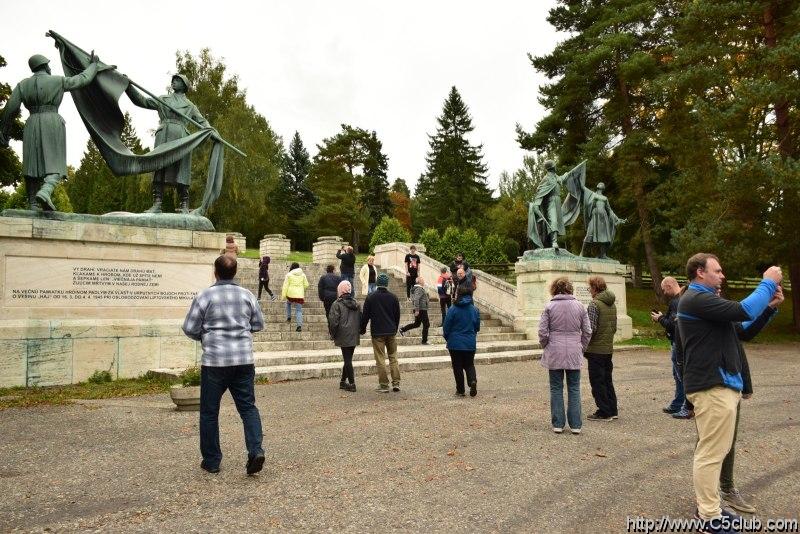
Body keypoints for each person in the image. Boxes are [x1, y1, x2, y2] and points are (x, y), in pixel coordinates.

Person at [677, 253, 781, 529]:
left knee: (716, 451)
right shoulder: (696, 299)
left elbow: (742, 329)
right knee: (711, 453)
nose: (722, 276)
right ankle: (708, 515)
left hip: (721, 385)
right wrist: (768, 283)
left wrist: (769, 308)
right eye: (718, 271)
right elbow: (744, 310)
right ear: (700, 272)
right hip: (712, 386)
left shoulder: (708, 302)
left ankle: (710, 508)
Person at [181, 255, 265, 475]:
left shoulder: (205, 295)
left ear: (215, 272)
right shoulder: (247, 295)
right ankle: (255, 450)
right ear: (235, 272)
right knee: (248, 407)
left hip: (215, 361)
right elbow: (258, 324)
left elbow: (189, 327)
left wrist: (206, 336)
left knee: (209, 411)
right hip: (243, 360)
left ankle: (212, 460)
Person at [0, 53, 99, 211]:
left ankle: (32, 203)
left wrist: (3, 131)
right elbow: (83, 79)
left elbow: (10, 109)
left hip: (31, 123)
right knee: (55, 163)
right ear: (45, 65)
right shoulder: (57, 80)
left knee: (31, 166)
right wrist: (93, 65)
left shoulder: (22, 85)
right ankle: (46, 191)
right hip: (52, 122)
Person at [126, 74, 214, 214]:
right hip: (164, 136)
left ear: (184, 86)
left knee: (182, 172)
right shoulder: (163, 99)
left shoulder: (190, 106)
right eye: (173, 80)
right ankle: (157, 204)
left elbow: (202, 121)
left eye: (177, 80)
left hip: (181, 139)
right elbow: (142, 101)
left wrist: (212, 132)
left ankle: (184, 205)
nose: (173, 82)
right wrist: (128, 87)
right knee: (159, 168)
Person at [538, 277, 592, 434]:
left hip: (554, 349)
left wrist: (545, 345)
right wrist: (581, 347)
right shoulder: (580, 306)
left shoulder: (549, 306)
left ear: (554, 289)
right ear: (570, 289)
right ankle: (575, 424)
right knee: (574, 387)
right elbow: (587, 331)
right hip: (574, 349)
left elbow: (542, 331)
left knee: (556, 387)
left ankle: (558, 423)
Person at [651, 277, 687, 417]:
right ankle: (678, 402)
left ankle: (684, 404)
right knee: (677, 374)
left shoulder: (676, 302)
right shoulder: (681, 300)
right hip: (678, 342)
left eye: (664, 289)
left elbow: (673, 325)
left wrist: (659, 319)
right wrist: (661, 317)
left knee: (680, 375)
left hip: (678, 343)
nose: (664, 292)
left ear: (669, 285)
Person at [360, 273, 401, 393]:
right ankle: (396, 383)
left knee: (380, 358)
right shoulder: (393, 297)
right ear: (387, 284)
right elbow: (397, 315)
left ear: (377, 283)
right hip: (391, 331)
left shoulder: (371, 297)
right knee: (393, 357)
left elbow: (365, 316)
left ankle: (383, 384)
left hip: (377, 332)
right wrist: (394, 328)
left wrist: (362, 329)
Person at [584, 276, 618, 421]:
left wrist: (583, 345)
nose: (589, 291)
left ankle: (604, 411)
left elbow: (591, 329)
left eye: (589, 288)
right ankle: (612, 409)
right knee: (607, 380)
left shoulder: (594, 304)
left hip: (596, 350)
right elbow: (614, 327)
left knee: (597, 381)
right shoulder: (612, 304)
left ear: (595, 288)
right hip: (607, 348)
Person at [443, 290, 481, 397]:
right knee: (469, 364)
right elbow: (477, 327)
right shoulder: (474, 310)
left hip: (455, 342)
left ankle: (460, 390)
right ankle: (472, 381)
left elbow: (446, 326)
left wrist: (448, 338)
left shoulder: (453, 309)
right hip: (469, 342)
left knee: (457, 366)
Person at [328, 280, 362, 393]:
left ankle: (352, 383)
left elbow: (333, 322)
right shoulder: (356, 304)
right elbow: (361, 319)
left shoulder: (337, 304)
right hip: (354, 334)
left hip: (343, 334)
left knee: (347, 359)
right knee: (348, 359)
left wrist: (332, 334)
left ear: (340, 291)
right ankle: (343, 382)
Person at [399, 276, 430, 345]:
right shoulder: (419, 289)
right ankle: (424, 341)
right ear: (419, 281)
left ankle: (402, 329)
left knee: (417, 324)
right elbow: (416, 299)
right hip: (421, 309)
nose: (424, 281)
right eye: (423, 280)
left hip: (420, 309)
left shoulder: (418, 289)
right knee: (426, 324)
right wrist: (417, 310)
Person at [281, 262, 309, 332]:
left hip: (290, 294)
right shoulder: (303, 275)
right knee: (299, 310)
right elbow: (306, 285)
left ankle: (289, 317)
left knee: (288, 303)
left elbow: (285, 286)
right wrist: (301, 289)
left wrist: (283, 295)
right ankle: (299, 326)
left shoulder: (289, 275)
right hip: (299, 295)